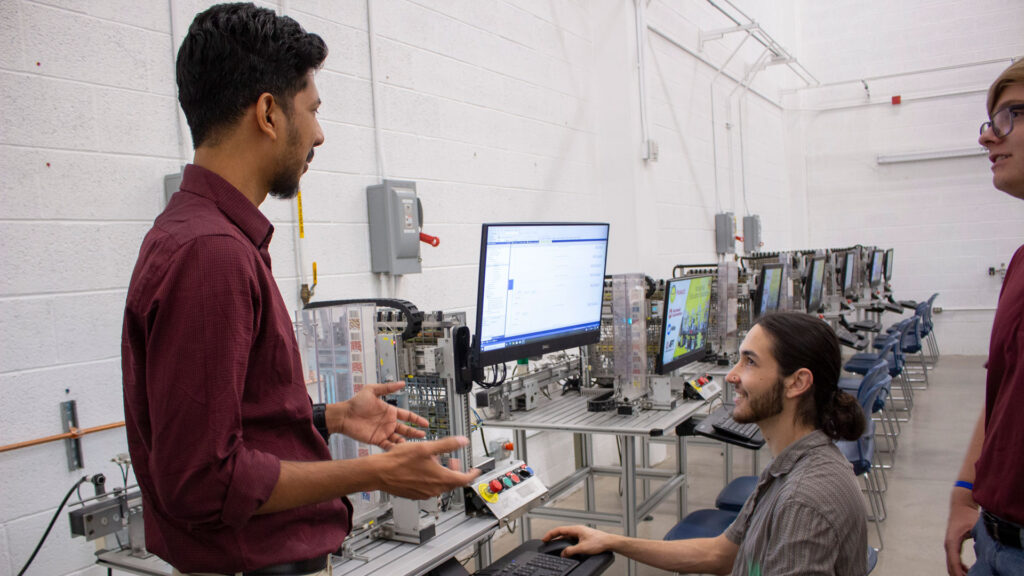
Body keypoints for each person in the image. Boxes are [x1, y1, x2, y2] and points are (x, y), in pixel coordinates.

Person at [121, 4, 479, 575]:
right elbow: (203, 483)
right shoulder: (210, 253)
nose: (318, 133)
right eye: (311, 110)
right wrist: (376, 472)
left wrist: (330, 418)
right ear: (268, 113)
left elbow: (233, 426)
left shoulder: (209, 237)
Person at [544, 312, 868, 575]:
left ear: (797, 382)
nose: (731, 375)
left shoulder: (804, 499)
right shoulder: (791, 466)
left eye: (750, 362)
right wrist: (611, 540)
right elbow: (722, 554)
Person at [945, 58, 1024, 576]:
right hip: (995, 542)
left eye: (1010, 116)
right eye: (990, 122)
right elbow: (1003, 392)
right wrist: (965, 491)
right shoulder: (1019, 263)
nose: (988, 139)